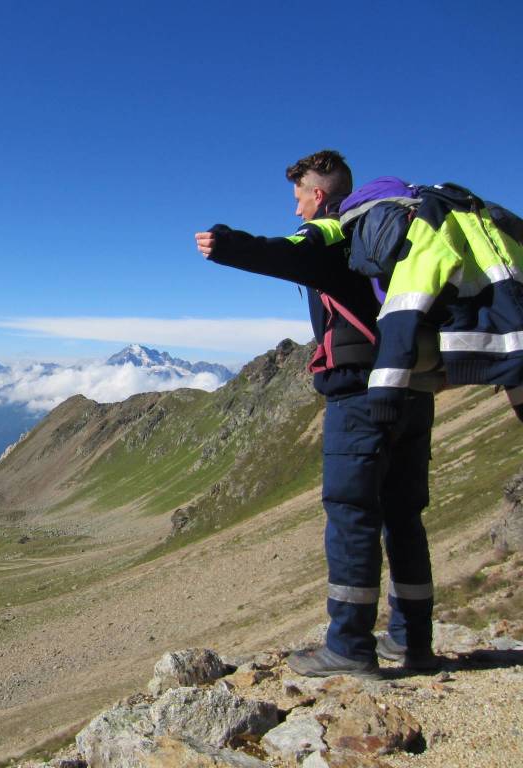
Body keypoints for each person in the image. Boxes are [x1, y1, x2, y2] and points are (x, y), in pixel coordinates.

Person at [195, 150, 437, 678]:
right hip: (415, 389)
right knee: (404, 516)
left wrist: (224, 243)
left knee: (353, 515)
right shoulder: (401, 235)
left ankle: (349, 646)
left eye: (299, 196)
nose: (297, 208)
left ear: (320, 195)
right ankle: (413, 642)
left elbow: (282, 252)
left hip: (360, 397)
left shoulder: (334, 232)